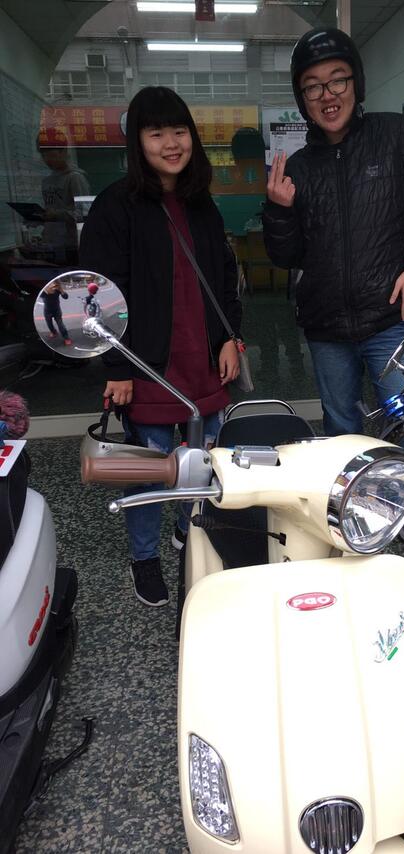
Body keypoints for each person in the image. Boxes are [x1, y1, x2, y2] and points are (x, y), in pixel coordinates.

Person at [263, 28, 404, 576]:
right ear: (302, 97)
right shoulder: (299, 167)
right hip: (327, 325)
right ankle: (351, 521)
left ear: (357, 83)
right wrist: (278, 209)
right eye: (312, 86)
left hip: (389, 318)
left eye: (338, 80)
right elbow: (286, 256)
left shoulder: (400, 138)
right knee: (341, 430)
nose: (328, 95)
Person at [79, 86, 241, 607]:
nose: (171, 144)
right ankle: (144, 558)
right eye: (156, 134)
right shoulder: (116, 206)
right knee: (149, 473)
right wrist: (115, 366)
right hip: (146, 366)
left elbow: (224, 278)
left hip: (204, 361)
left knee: (204, 464)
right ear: (138, 142)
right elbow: (98, 293)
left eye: (179, 131)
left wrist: (230, 337)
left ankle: (188, 531)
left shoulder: (201, 203)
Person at [38, 137, 90, 264]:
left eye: (51, 155)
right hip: (50, 243)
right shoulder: (47, 181)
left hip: (70, 245)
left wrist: (56, 215)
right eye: (44, 156)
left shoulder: (75, 178)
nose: (47, 160)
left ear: (63, 152)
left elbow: (84, 213)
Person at [41, 281, 72, 345]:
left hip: (56, 310)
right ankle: (54, 332)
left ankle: (66, 338)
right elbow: (41, 295)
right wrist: (46, 291)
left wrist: (61, 289)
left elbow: (66, 297)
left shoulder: (57, 289)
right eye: (50, 284)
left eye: (54, 284)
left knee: (60, 324)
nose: (52, 286)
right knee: (49, 324)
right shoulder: (44, 290)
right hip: (47, 310)